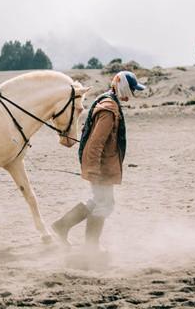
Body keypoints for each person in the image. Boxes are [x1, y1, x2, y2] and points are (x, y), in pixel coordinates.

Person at [51, 70, 145, 253]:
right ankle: (91, 247)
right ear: (123, 86)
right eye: (132, 89)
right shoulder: (109, 109)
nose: (133, 93)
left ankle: (62, 226)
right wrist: (93, 169)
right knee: (104, 204)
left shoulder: (108, 102)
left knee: (98, 201)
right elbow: (96, 142)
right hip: (101, 165)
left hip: (102, 164)